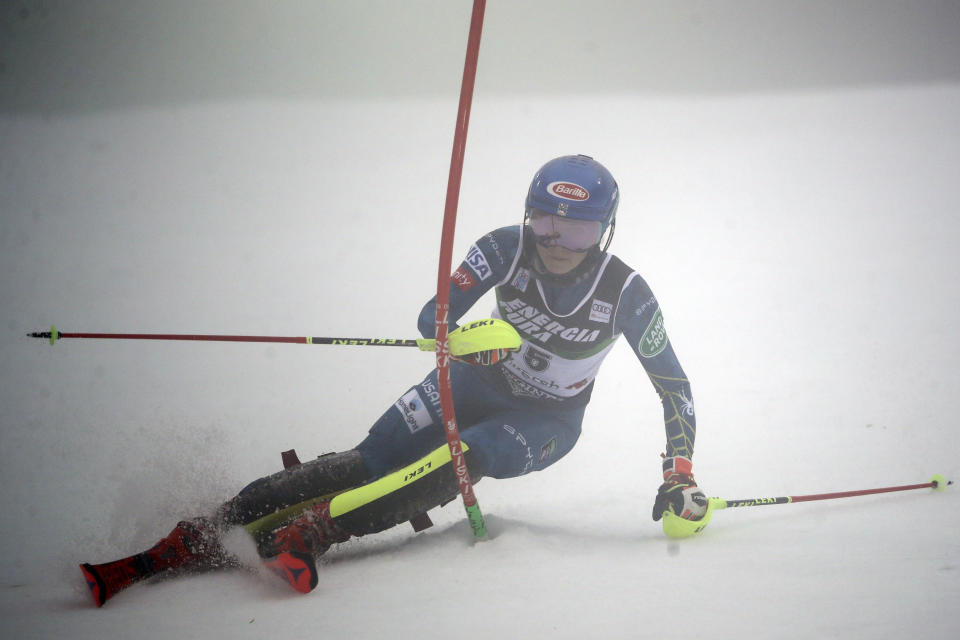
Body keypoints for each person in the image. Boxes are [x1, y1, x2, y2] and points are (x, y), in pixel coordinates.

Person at [79, 154, 708, 606]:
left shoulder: (626, 292)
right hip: (473, 380)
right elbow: (432, 314)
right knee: (368, 459)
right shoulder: (503, 247)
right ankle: (194, 534)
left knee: (471, 454)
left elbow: (673, 385)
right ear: (528, 216)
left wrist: (679, 473)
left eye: (577, 228)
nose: (556, 241)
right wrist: (460, 338)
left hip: (545, 421)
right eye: (545, 220)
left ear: (605, 229)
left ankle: (318, 530)